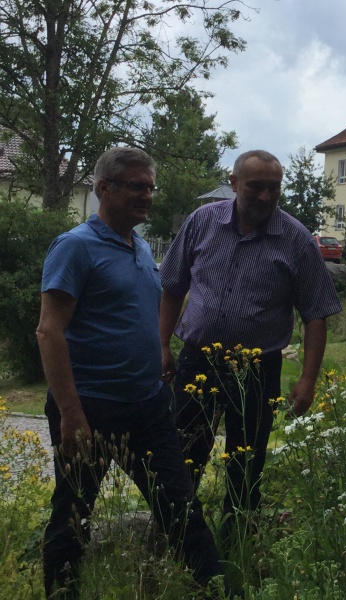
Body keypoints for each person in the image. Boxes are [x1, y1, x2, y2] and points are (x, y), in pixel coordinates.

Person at [36, 147, 226, 598]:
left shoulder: (139, 245)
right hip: (91, 408)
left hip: (148, 406)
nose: (147, 196)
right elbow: (49, 331)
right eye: (136, 187)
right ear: (104, 188)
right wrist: (71, 413)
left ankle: (217, 589)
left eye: (150, 188)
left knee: (180, 508)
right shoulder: (75, 246)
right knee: (72, 517)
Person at [159, 149, 342, 532]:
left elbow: (316, 314)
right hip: (197, 363)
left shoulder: (295, 239)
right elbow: (173, 287)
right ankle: (177, 536)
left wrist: (307, 380)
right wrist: (161, 346)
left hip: (258, 369)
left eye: (272, 189)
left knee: (247, 461)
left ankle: (237, 538)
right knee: (183, 453)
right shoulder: (202, 222)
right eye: (255, 187)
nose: (264, 197)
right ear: (234, 184)